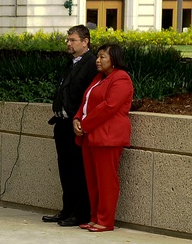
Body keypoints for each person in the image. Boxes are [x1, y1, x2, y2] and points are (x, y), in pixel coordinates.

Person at [73, 44, 133, 233]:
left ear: (114, 59)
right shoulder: (99, 78)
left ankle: (106, 221)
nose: (97, 61)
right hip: (91, 136)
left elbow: (109, 106)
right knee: (93, 180)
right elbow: (85, 101)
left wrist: (85, 123)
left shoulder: (121, 78)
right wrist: (76, 118)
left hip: (108, 136)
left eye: (102, 57)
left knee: (106, 180)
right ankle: (95, 217)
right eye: (97, 57)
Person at [43, 25, 95, 227]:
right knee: (65, 169)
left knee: (77, 170)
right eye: (68, 39)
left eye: (73, 40)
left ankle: (80, 213)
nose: (69, 43)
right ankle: (67, 210)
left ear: (85, 41)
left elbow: (88, 96)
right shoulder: (72, 63)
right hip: (62, 123)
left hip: (76, 125)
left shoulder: (90, 64)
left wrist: (80, 119)